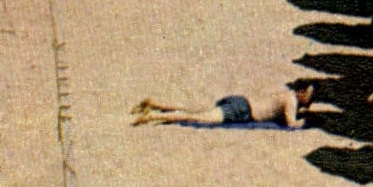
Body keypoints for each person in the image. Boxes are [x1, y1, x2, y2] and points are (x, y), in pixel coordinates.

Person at [132, 83, 316, 128]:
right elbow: (291, 123)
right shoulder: (291, 102)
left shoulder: (286, 93)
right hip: (242, 111)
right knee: (197, 117)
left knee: (192, 108)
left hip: (240, 100)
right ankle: (153, 116)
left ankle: (154, 104)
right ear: (302, 94)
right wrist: (305, 121)